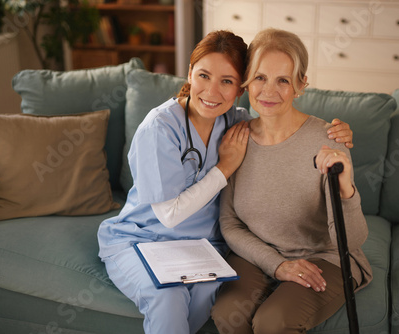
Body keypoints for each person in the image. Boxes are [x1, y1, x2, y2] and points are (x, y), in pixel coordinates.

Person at [97, 30, 354, 334]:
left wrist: (340, 132)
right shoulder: (160, 127)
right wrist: (224, 167)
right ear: (190, 72)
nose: (212, 91)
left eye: (227, 81)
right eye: (204, 75)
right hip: (143, 239)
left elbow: (278, 124)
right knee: (167, 297)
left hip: (203, 249)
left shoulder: (236, 123)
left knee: (209, 300)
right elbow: (169, 216)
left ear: (240, 89)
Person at [211, 28, 373, 334]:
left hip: (324, 258)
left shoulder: (328, 142)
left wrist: (346, 186)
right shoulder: (237, 137)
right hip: (258, 253)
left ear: (300, 85)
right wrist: (277, 265)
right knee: (227, 313)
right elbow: (229, 223)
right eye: (260, 77)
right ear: (246, 81)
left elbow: (351, 242)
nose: (269, 90)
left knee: (273, 322)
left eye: (283, 80)